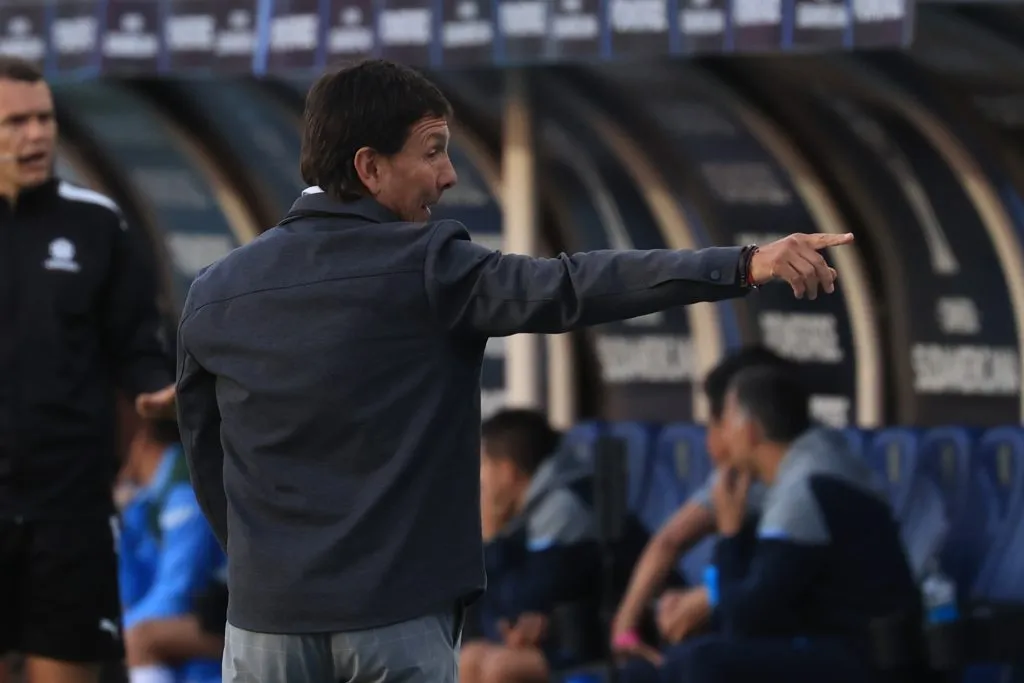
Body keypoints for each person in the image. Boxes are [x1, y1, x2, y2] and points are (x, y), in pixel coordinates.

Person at [174, 59, 854, 683]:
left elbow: (206, 452)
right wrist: (741, 263)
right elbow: (575, 285)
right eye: (433, 151)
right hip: (394, 623)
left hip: (263, 625)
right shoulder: (430, 267)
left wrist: (263, 563)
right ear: (370, 168)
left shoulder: (213, 292)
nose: (449, 176)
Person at [0, 57, 174, 683]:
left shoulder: (97, 224)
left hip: (68, 506)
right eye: (15, 122)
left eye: (44, 118)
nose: (36, 135)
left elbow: (138, 345)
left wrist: (160, 393)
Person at [658, 366, 921, 683]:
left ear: (749, 430)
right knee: (656, 668)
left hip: (866, 658)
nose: (722, 438)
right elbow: (751, 602)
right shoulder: (804, 467)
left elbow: (743, 623)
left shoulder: (804, 489)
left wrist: (730, 534)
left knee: (703, 662)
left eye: (725, 422)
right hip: (822, 642)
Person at [611, 347, 792, 664]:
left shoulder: (802, 481)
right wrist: (625, 629)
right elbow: (670, 540)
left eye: (716, 424)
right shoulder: (738, 478)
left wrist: (709, 598)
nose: (710, 442)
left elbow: (778, 582)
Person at [461, 410, 600, 683]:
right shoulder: (527, 510)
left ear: (507, 472)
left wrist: (491, 535)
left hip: (587, 638)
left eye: (484, 465)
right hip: (548, 636)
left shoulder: (562, 509)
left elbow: (530, 598)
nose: (480, 480)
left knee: (500, 669)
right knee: (468, 657)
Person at [118, 417, 225, 683]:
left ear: (138, 436)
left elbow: (178, 591)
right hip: (196, 623)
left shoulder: (184, 482)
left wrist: (117, 634)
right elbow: (132, 592)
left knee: (140, 640)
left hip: (234, 621)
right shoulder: (142, 499)